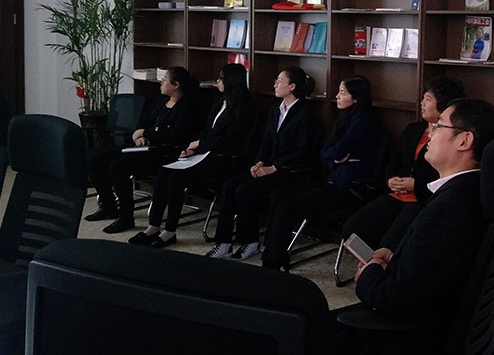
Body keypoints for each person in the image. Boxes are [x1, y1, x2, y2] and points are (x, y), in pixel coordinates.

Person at [339, 98, 494, 355]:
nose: (430, 132)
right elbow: (432, 262)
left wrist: (370, 270)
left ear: (464, 141)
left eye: (439, 126)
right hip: (435, 325)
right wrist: (394, 257)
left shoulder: (449, 209)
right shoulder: (471, 189)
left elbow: (394, 299)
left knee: (301, 321)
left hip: (413, 341)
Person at [128, 63, 258, 248]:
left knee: (176, 177)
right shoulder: (220, 102)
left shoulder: (246, 108)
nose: (218, 81)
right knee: (164, 172)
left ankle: (169, 231)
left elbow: (231, 140)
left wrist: (200, 145)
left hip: (225, 160)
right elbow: (205, 132)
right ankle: (153, 226)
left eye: (221, 78)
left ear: (232, 81)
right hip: (204, 155)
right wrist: (193, 149)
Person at [260, 75, 377, 270]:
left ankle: (272, 263)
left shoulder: (363, 120)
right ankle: (271, 252)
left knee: (287, 205)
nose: (337, 96)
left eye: (342, 93)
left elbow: (337, 151)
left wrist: (333, 156)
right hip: (332, 179)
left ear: (356, 98)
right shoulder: (345, 117)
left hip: (349, 188)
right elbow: (326, 152)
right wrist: (333, 157)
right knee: (278, 195)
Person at [204, 66, 320, 260]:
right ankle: (223, 243)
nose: (275, 85)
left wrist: (273, 168)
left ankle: (250, 242)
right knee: (230, 185)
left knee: (245, 190)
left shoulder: (305, 114)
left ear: (292, 86)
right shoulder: (275, 109)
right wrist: (259, 162)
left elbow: (302, 151)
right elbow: (266, 141)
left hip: (290, 171)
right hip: (268, 166)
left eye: (279, 81)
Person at [342, 76, 465, 251]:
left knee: (390, 242)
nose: (422, 103)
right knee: (353, 229)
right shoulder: (413, 130)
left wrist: (416, 185)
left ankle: (383, 264)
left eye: (427, 99)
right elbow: (395, 159)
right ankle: (372, 263)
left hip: (423, 199)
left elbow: (447, 176)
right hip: (397, 194)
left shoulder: (450, 139)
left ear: (443, 104)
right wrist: (390, 179)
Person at [85, 66, 200, 233]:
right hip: (142, 146)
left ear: (176, 85)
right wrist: (139, 135)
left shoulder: (188, 108)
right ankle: (108, 205)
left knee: (118, 166)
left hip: (165, 153)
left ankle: (126, 217)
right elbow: (143, 123)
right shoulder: (160, 101)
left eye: (164, 80)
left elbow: (175, 136)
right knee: (95, 161)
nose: (161, 83)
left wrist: (145, 133)